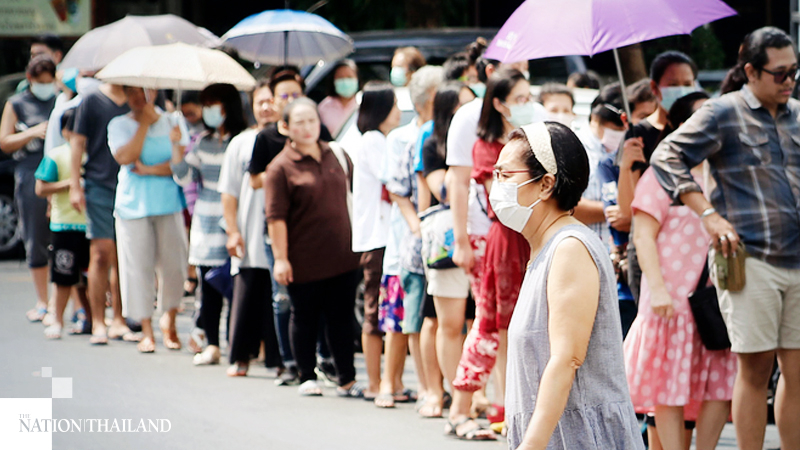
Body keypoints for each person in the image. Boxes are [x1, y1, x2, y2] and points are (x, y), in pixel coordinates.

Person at [650, 27, 800, 450]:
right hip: (748, 258)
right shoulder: (723, 112)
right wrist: (708, 215)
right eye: (780, 73)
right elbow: (666, 155)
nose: (789, 81)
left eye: (794, 71)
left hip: (796, 258)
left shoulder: (797, 114)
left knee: (796, 372)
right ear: (751, 71)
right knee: (755, 370)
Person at [498, 122, 644, 450]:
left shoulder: (570, 248)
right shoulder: (545, 248)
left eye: (505, 175)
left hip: (578, 437)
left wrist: (530, 445)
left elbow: (566, 359)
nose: (497, 185)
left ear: (545, 184)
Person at [624, 90, 733, 450]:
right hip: (671, 298)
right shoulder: (661, 175)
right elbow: (642, 235)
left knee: (721, 384)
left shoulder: (725, 173)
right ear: (682, 127)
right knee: (667, 386)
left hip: (718, 296)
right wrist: (657, 289)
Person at [445, 67, 536, 439]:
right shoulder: (487, 145)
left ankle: (508, 407)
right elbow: (503, 201)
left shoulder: (529, 137)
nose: (527, 104)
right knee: (489, 325)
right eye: (519, 99)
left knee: (519, 328)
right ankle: (460, 407)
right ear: (498, 103)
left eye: (528, 97)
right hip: (505, 239)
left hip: (528, 237)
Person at [263, 98, 360, 396]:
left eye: (312, 121)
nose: (307, 128)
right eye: (300, 122)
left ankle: (347, 379)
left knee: (342, 319)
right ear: (285, 127)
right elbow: (275, 218)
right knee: (305, 316)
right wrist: (281, 259)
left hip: (343, 255)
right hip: (304, 259)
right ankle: (307, 375)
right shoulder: (279, 168)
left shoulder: (337, 154)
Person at [247, 67, 335, 385]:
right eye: (283, 95)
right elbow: (254, 180)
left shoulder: (317, 132)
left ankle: (324, 359)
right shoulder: (266, 137)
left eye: (295, 94)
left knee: (321, 298)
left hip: (315, 232)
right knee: (283, 297)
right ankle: (289, 361)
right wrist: (283, 168)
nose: (290, 99)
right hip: (279, 229)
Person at [380, 65, 444, 414]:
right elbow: (397, 190)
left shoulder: (450, 134)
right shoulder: (406, 138)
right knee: (414, 319)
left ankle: (436, 386)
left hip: (443, 240)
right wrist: (417, 227)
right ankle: (421, 386)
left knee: (438, 317)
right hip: (414, 244)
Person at [108, 86, 189, 353]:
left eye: (142, 91)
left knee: (175, 266)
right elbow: (125, 157)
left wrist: (150, 169)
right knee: (137, 267)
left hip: (169, 203)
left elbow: (179, 165)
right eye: (131, 92)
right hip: (133, 206)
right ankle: (146, 329)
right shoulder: (119, 125)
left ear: (153, 91)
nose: (137, 97)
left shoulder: (174, 121)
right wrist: (143, 124)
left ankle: (170, 319)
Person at [171, 83, 247, 365]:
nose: (208, 111)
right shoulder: (202, 141)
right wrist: (176, 146)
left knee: (239, 287)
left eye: (213, 104)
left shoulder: (243, 140)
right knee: (210, 287)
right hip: (206, 222)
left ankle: (240, 345)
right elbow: (184, 176)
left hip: (236, 219)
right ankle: (213, 344)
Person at [618, 51, 698, 305]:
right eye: (673, 84)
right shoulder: (638, 136)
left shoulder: (697, 133)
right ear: (655, 88)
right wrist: (626, 166)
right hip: (649, 247)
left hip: (693, 247)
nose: (681, 90)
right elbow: (627, 210)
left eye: (687, 84)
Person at [218, 79, 282, 377]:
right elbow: (229, 191)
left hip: (281, 234)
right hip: (249, 231)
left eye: (271, 100)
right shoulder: (240, 143)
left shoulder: (291, 139)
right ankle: (240, 357)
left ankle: (280, 361)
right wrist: (233, 231)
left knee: (278, 298)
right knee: (245, 296)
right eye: (260, 102)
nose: (266, 107)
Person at [350, 81, 402, 406]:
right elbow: (392, 178)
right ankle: (374, 381)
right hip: (378, 238)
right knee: (375, 310)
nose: (398, 112)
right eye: (394, 105)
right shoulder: (373, 140)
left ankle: (391, 381)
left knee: (387, 310)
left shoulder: (378, 139)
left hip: (383, 236)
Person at [69, 79, 133, 344]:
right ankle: (98, 321)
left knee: (123, 256)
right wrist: (75, 185)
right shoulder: (91, 100)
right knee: (101, 253)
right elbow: (77, 143)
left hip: (131, 184)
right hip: (98, 184)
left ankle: (119, 319)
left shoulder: (140, 96)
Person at [0, 56, 57, 323]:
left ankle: (59, 301)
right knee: (35, 237)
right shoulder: (17, 103)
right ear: (30, 78)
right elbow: (5, 141)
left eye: (49, 81)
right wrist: (32, 133)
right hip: (30, 174)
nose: (45, 86)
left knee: (63, 237)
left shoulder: (61, 101)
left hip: (58, 173)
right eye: (40, 81)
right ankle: (42, 301)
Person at [33, 108, 90, 339]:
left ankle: (89, 317)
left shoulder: (95, 154)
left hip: (92, 225)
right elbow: (40, 188)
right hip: (64, 224)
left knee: (90, 278)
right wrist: (70, 183)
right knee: (63, 276)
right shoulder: (56, 155)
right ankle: (57, 320)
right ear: (65, 132)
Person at [318, 59, 359, 136]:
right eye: (341, 78)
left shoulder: (363, 102)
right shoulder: (324, 107)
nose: (345, 82)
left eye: (349, 77)